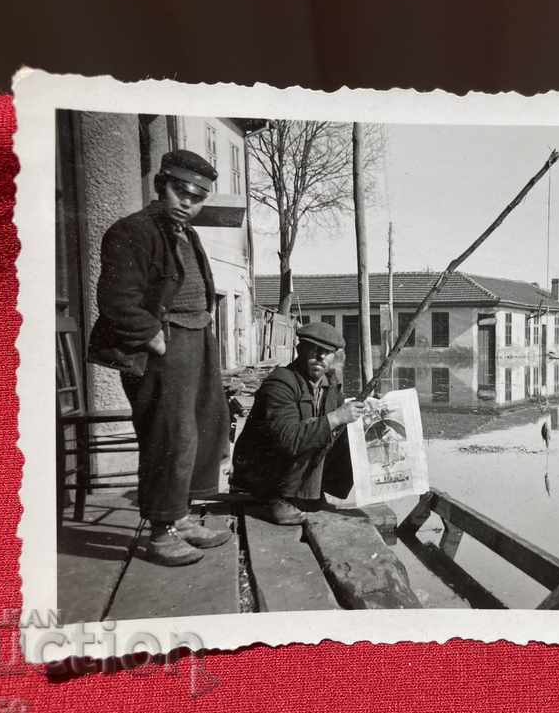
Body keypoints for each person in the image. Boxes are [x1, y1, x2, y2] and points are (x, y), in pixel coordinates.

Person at [88, 149, 231, 566]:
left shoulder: (188, 233)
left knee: (204, 426)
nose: (188, 202)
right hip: (162, 348)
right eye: (180, 191)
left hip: (196, 340)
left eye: (198, 196)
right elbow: (116, 300)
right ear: (160, 184)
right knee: (169, 437)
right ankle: (161, 531)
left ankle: (181, 515)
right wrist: (153, 338)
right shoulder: (131, 231)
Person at [231, 322, 369, 525]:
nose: (321, 357)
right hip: (261, 469)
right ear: (300, 350)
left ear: (334, 357)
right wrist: (337, 417)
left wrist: (363, 414)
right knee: (315, 428)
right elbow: (289, 439)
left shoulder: (330, 384)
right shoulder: (280, 383)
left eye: (328, 352)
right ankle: (273, 499)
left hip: (292, 465)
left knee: (354, 434)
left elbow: (336, 428)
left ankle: (310, 492)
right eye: (315, 349)